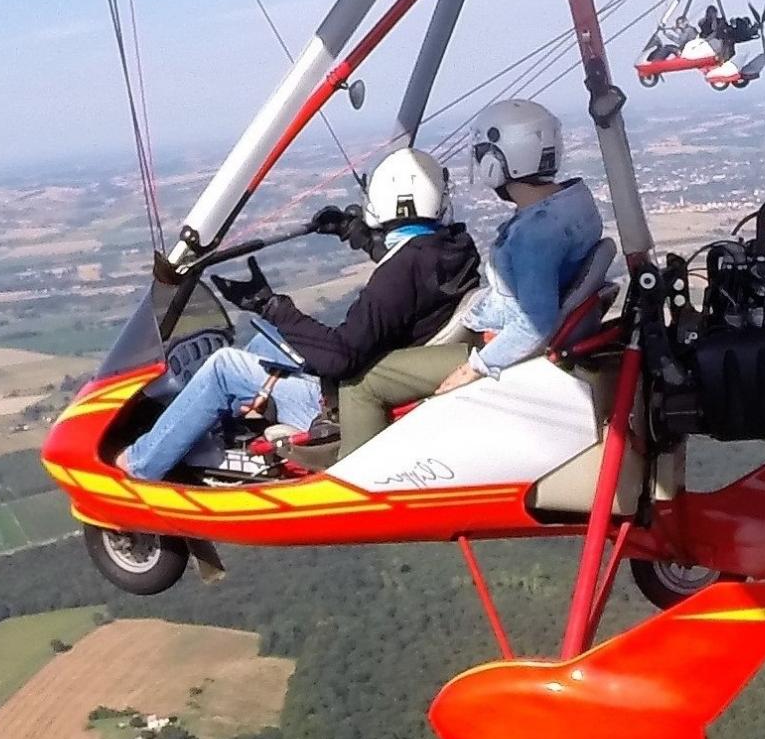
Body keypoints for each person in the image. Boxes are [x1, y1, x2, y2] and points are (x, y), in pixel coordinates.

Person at [116, 147, 480, 481]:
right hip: (393, 364)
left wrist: (271, 306)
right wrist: (353, 232)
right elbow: (408, 270)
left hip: (341, 399)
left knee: (224, 367)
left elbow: (340, 358)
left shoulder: (399, 273)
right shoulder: (453, 248)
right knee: (265, 342)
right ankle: (210, 434)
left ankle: (140, 466)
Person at [331, 100, 605, 451]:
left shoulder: (533, 237)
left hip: (495, 347)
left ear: (497, 161)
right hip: (491, 326)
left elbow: (533, 325)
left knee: (360, 381)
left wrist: (474, 368)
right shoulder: (573, 201)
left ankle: (356, 486)